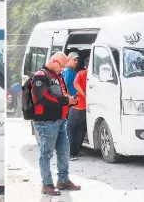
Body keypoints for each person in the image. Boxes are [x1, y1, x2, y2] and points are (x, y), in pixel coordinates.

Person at [30, 51, 81, 196]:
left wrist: (71, 99)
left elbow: (62, 94)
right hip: (46, 122)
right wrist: (66, 101)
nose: (63, 70)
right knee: (46, 154)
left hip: (60, 121)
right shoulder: (40, 76)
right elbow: (43, 97)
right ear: (54, 61)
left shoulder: (58, 76)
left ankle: (63, 180)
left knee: (64, 152)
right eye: (62, 66)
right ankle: (46, 184)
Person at [67, 56, 89, 160]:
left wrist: (83, 94)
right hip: (87, 109)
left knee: (71, 130)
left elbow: (75, 84)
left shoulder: (81, 73)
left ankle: (71, 153)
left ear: (85, 66)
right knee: (81, 130)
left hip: (77, 107)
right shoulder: (96, 76)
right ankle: (77, 151)